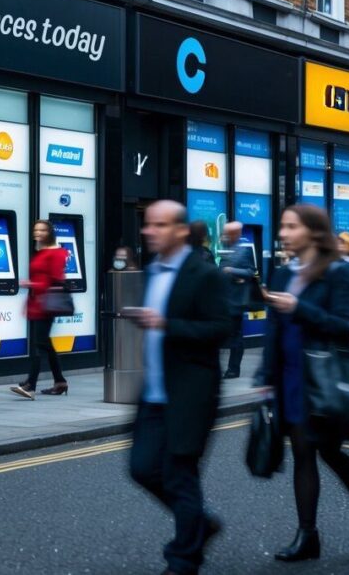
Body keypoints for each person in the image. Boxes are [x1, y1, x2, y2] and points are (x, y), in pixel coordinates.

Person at [257, 205, 349, 562]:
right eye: (281, 226)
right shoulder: (283, 273)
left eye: (290, 226)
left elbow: (347, 325)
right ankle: (308, 535)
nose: (283, 233)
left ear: (313, 232)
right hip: (290, 378)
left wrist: (299, 308)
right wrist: (264, 377)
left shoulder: (336, 273)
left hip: (324, 378)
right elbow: (274, 329)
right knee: (303, 452)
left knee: (326, 451)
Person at [125, 200, 228, 575]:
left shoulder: (205, 274)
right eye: (148, 224)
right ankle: (199, 523)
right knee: (141, 468)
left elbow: (222, 329)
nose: (149, 231)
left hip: (190, 395)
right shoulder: (152, 271)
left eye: (160, 225)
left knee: (181, 477)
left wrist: (166, 324)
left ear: (181, 230)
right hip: (153, 392)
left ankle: (183, 559)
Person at [10, 220, 69, 399]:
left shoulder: (57, 253)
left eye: (42, 230)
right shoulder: (41, 251)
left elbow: (55, 279)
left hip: (46, 304)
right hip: (37, 302)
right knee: (45, 343)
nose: (38, 232)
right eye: (36, 229)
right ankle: (60, 382)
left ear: (50, 232)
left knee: (39, 344)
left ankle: (30, 385)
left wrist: (31, 283)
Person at [217, 221, 256, 379]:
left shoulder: (244, 250)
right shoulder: (226, 249)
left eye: (228, 233)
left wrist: (232, 271)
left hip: (236, 301)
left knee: (236, 336)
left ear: (236, 234)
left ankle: (233, 369)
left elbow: (251, 272)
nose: (225, 236)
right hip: (224, 300)